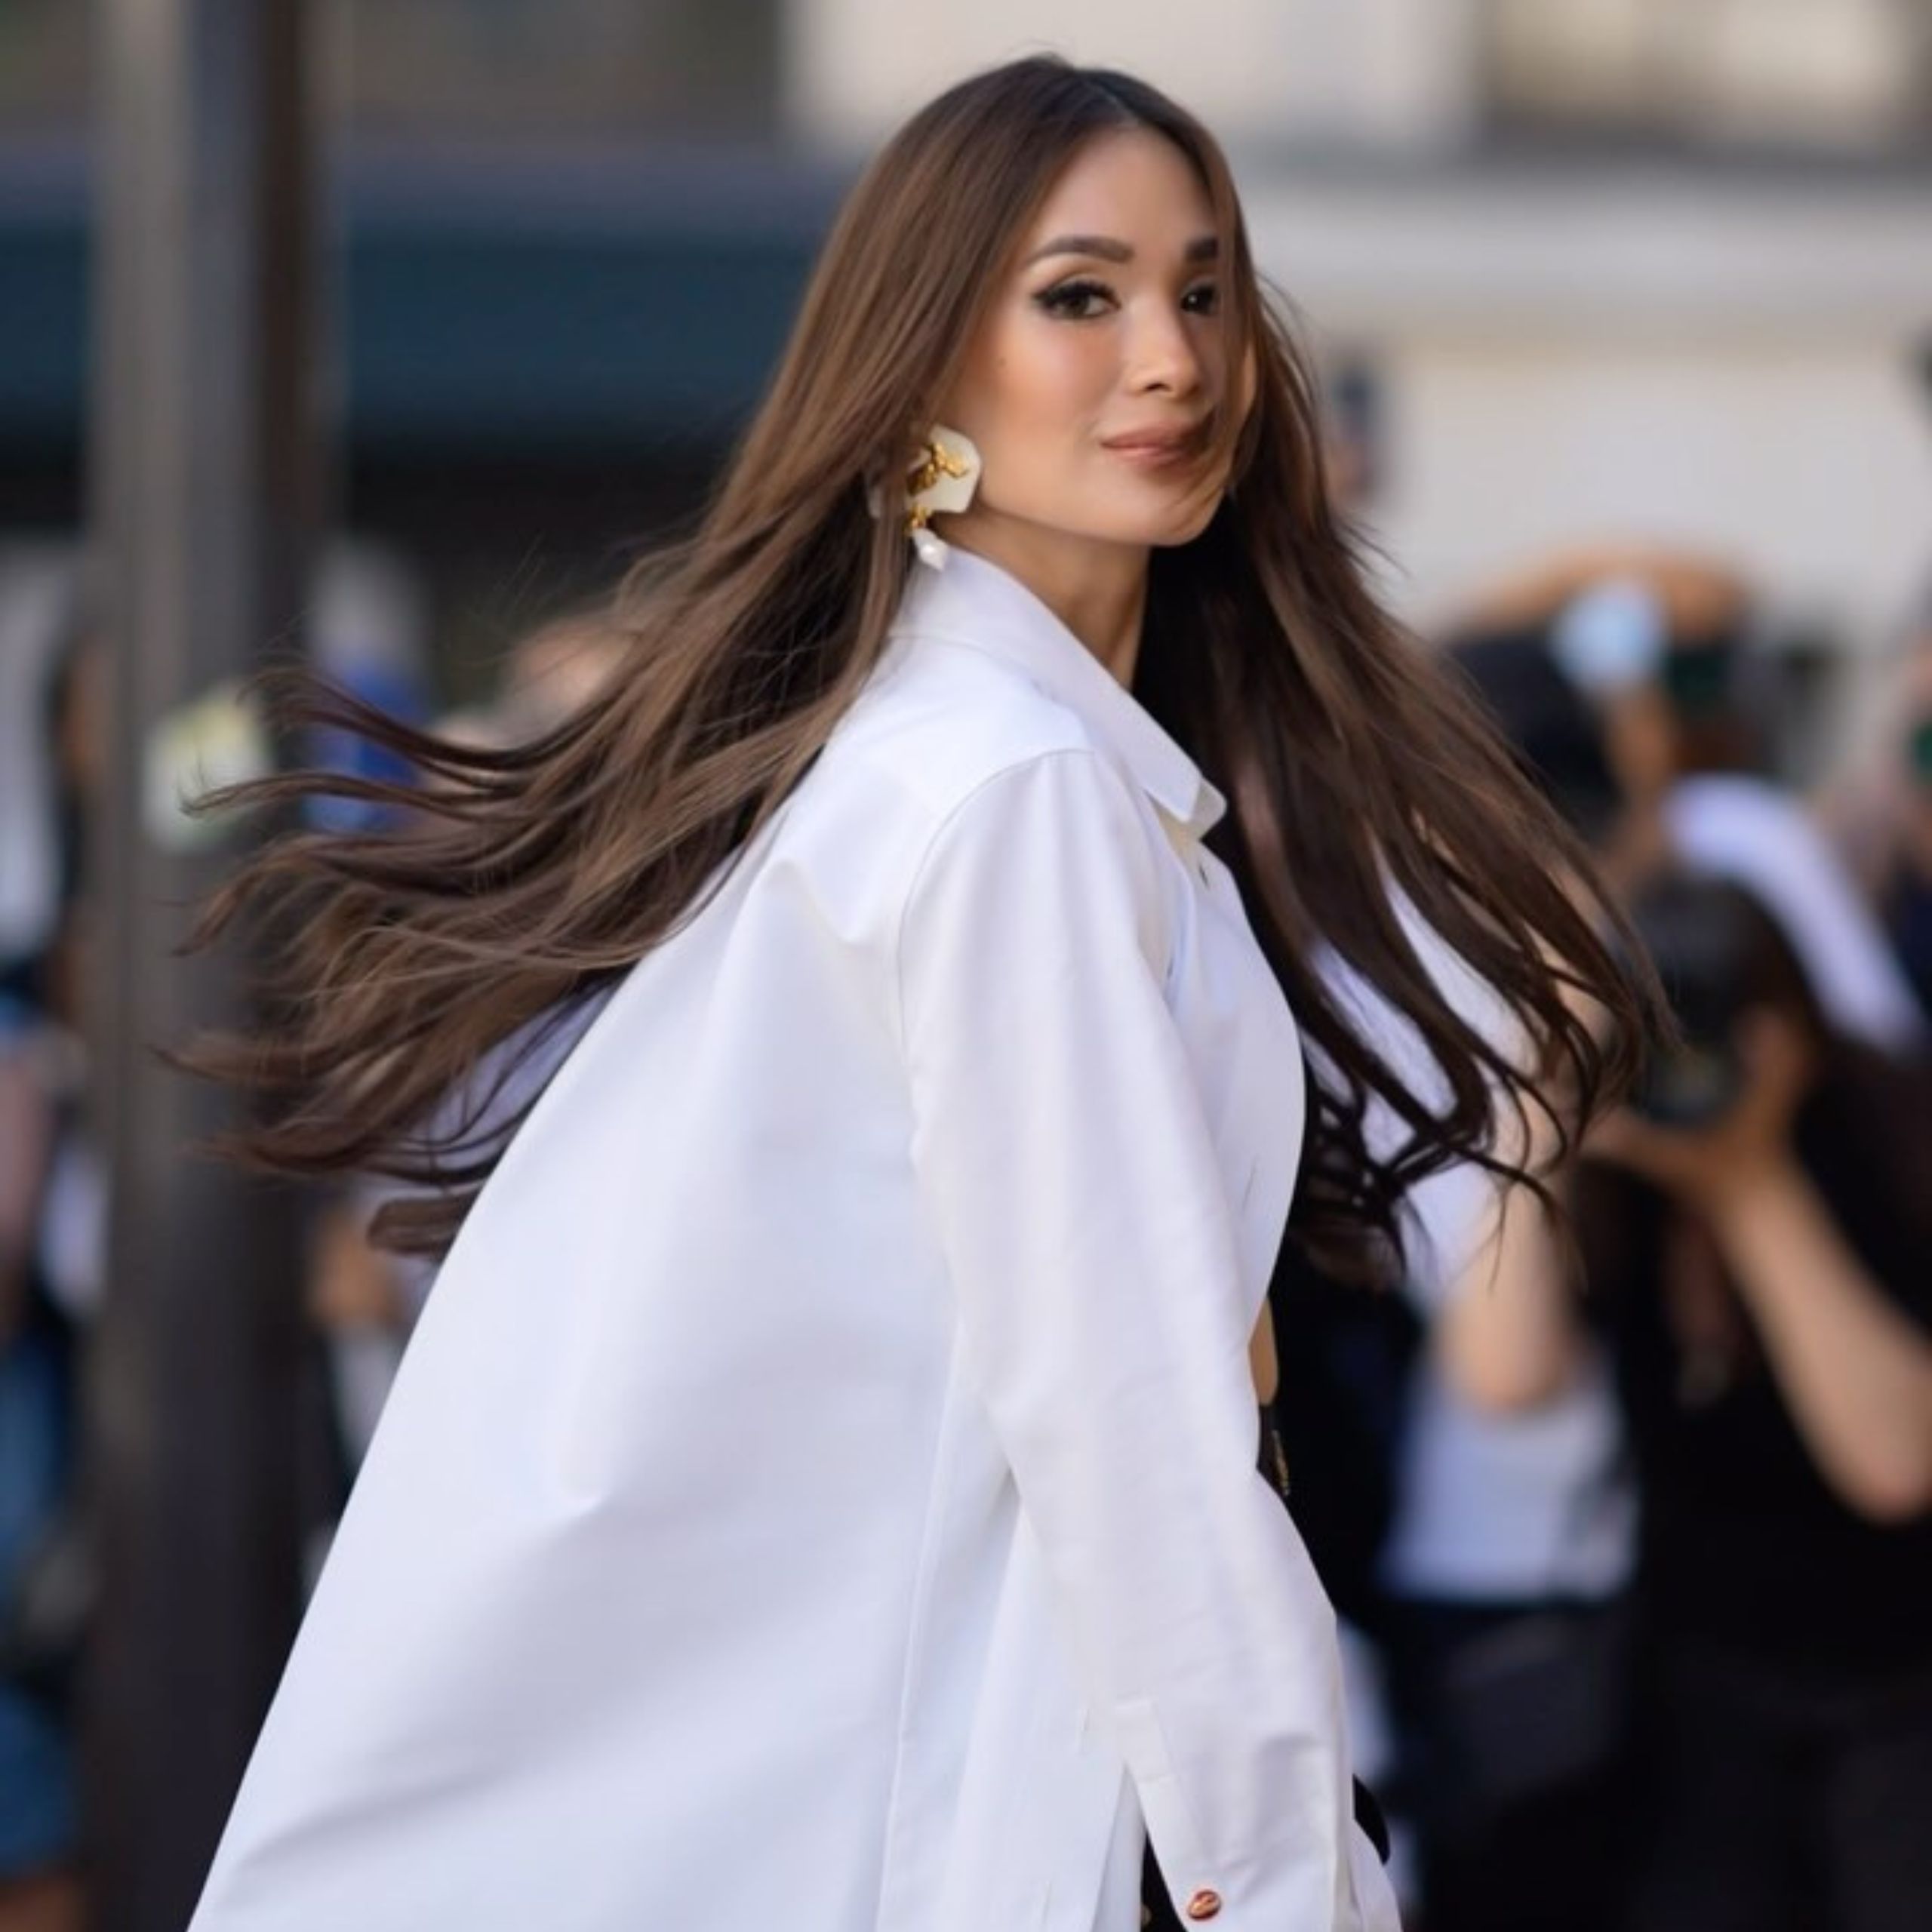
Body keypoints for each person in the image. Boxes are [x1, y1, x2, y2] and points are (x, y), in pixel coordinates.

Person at [181, 59, 1647, 1932]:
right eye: (1078, 295)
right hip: (829, 1819)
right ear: (926, 362)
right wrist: (1292, 1888)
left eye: (1202, 290)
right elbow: (1128, 1429)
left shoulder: (978, 759)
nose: (1170, 357)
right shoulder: (998, 787)